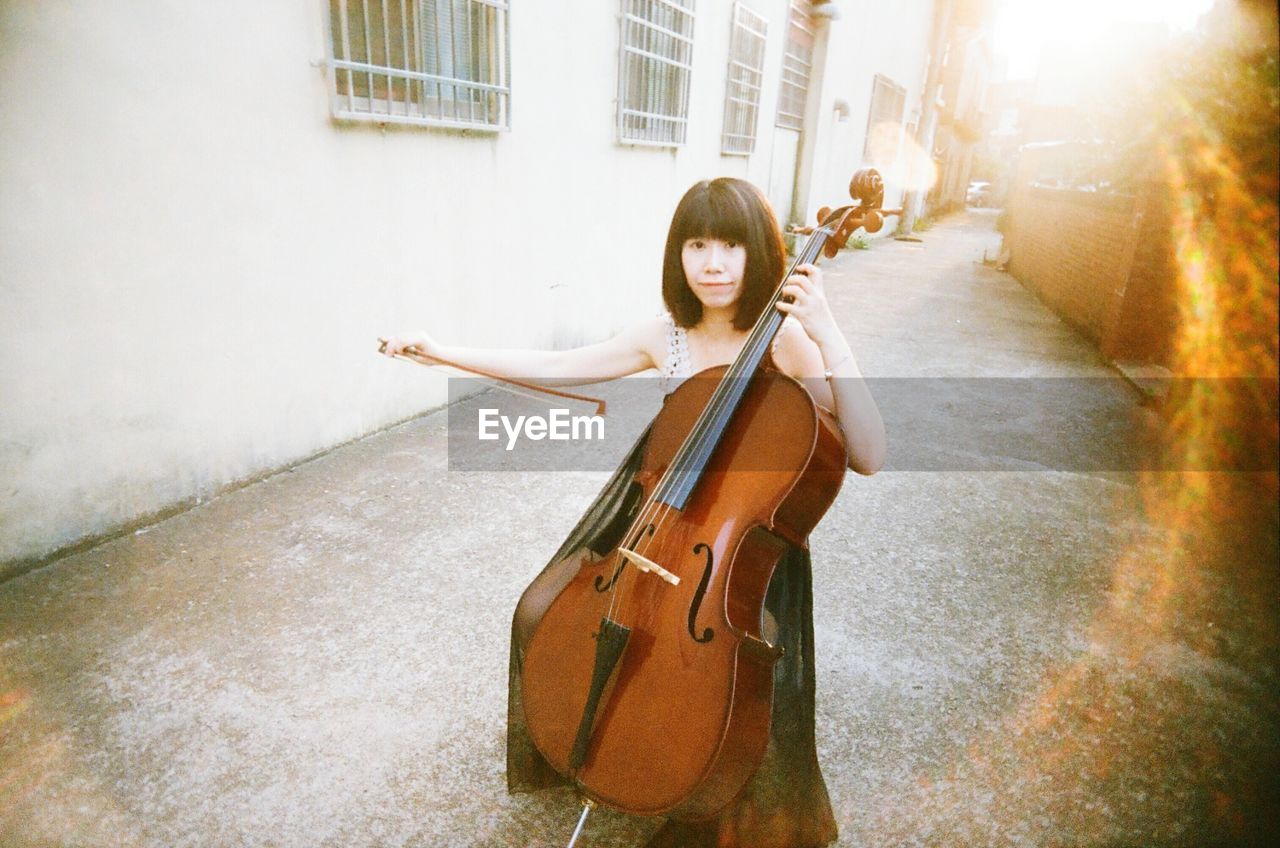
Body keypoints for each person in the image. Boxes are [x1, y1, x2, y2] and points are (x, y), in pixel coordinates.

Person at [381, 177, 885, 848]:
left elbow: (869, 454)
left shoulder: (786, 341)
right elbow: (562, 364)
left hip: (738, 544)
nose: (711, 263)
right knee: (546, 611)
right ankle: (605, 743)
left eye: (731, 246)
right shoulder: (666, 336)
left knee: (718, 683)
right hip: (662, 518)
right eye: (696, 244)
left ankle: (692, 774)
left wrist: (827, 331)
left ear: (760, 251)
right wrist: (443, 352)